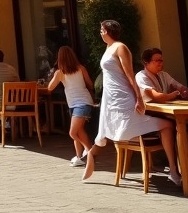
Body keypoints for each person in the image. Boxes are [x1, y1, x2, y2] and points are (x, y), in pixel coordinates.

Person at [82, 20, 180, 185]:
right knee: (107, 128)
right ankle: (92, 155)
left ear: (107, 31)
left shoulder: (121, 47)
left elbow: (129, 74)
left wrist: (138, 97)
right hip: (111, 97)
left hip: (123, 97)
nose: (100, 32)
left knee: (167, 125)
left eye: (101, 29)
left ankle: (173, 169)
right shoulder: (109, 48)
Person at [47, 46, 95, 166]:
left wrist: (54, 74)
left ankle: (90, 152)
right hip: (83, 102)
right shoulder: (81, 68)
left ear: (59, 59)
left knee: (72, 133)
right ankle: (79, 156)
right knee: (79, 131)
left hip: (78, 104)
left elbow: (50, 87)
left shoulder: (60, 72)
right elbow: (90, 84)